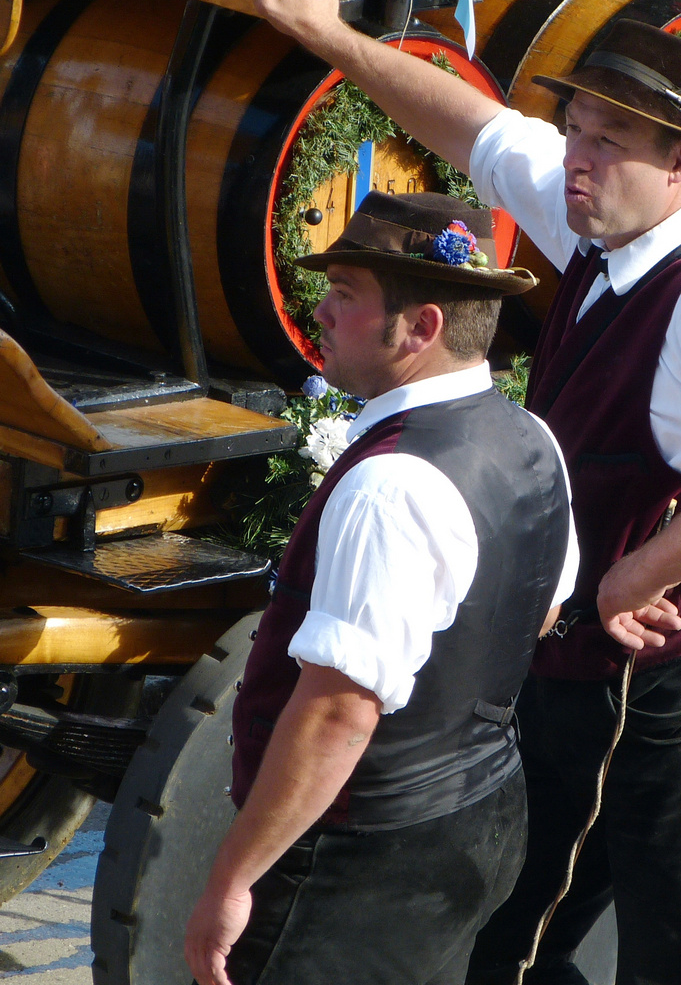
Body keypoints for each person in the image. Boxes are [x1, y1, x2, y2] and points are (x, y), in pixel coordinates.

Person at [242, 0, 681, 985]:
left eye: (607, 141)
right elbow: (472, 127)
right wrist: (326, 34)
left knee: (674, 958)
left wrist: (636, 575)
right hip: (593, 669)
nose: (575, 156)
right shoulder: (603, 221)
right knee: (514, 939)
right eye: (575, 129)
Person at [184, 191, 595, 985]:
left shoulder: (392, 483)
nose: (321, 311)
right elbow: (539, 607)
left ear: (422, 326)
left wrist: (231, 881)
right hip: (482, 814)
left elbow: (338, 710)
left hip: (364, 859)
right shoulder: (528, 433)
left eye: (345, 294)